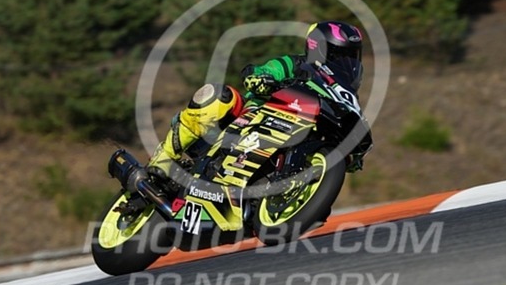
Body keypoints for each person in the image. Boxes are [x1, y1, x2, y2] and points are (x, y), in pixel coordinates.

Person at [147, 20, 372, 180]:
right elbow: (262, 71)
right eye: (339, 56)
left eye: (351, 57)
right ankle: (164, 158)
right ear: (319, 48)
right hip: (250, 121)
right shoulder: (296, 64)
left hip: (296, 136)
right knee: (220, 96)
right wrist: (260, 78)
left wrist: (352, 152)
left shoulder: (344, 96)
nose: (347, 63)